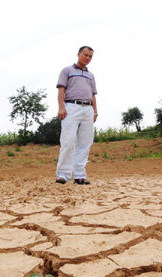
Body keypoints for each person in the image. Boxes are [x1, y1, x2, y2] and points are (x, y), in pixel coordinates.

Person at [55, 46, 98, 185]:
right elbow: (61, 89)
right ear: (79, 54)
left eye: (90, 56)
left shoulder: (91, 75)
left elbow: (93, 94)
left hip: (88, 109)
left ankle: (79, 175)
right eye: (85, 55)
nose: (87, 58)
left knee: (85, 143)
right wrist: (61, 107)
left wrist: (95, 111)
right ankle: (63, 175)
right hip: (71, 107)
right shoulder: (67, 71)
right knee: (68, 141)